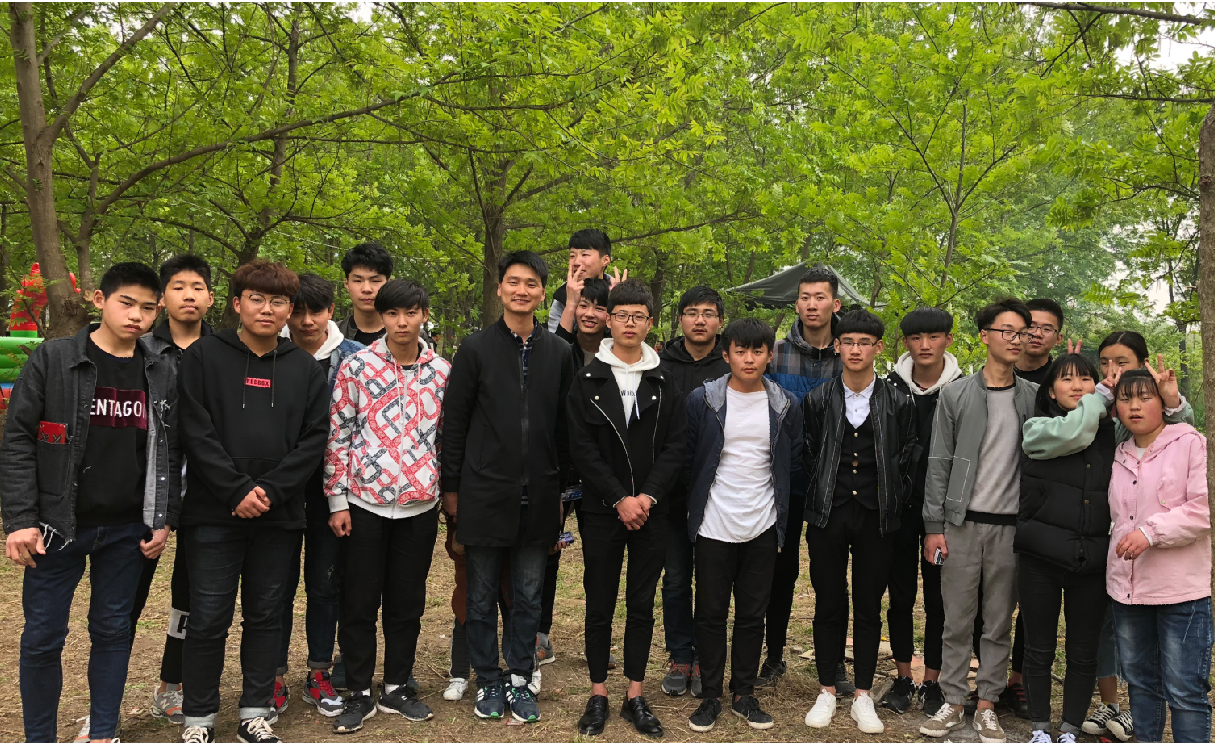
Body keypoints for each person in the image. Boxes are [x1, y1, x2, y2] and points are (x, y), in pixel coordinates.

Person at [3, 262, 178, 743]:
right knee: (43, 637)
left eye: (148, 308)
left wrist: (162, 518)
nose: (136, 316)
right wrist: (19, 519)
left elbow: (170, 448)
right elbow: (18, 439)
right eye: (127, 303)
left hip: (127, 528)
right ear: (100, 301)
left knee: (113, 631)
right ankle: (40, 737)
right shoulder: (56, 359)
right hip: (57, 526)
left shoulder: (160, 368)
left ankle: (103, 732)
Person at [177, 260, 329, 744]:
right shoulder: (203, 357)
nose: (267, 309)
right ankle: (198, 718)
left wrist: (271, 491)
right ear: (237, 303)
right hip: (212, 514)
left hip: (278, 516)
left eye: (278, 301)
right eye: (257, 299)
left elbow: (313, 440)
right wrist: (235, 490)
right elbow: (194, 430)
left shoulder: (305, 368)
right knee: (208, 618)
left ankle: (255, 711)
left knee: (266, 616)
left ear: (289, 309)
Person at [441, 250, 574, 724]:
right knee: (479, 596)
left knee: (528, 596)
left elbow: (565, 430)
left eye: (531, 283)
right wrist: (452, 490)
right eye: (513, 282)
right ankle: (487, 678)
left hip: (540, 495)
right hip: (483, 493)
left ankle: (520, 677)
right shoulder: (475, 349)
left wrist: (563, 495)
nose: (522, 290)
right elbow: (455, 425)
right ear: (500, 289)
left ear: (542, 292)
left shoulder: (559, 353)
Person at [325, 279, 450, 733]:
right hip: (363, 504)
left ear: (423, 315)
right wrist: (337, 499)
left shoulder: (442, 372)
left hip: (419, 507)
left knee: (406, 603)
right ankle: (358, 691)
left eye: (410, 313)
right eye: (393, 313)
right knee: (358, 601)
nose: (401, 322)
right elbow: (339, 433)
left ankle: (397, 685)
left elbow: (447, 438)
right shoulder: (357, 366)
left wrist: (439, 489)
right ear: (382, 317)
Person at [566, 280, 686, 737]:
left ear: (650, 323)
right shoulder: (588, 379)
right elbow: (581, 448)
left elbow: (676, 446)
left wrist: (646, 497)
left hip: (652, 511)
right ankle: (598, 692)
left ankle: (635, 693)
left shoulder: (664, 379)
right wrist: (619, 498)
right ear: (608, 321)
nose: (629, 324)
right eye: (621, 316)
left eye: (638, 316)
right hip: (603, 510)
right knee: (599, 602)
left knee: (641, 603)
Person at [920, 298, 1037, 744]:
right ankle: (953, 700)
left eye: (1021, 332)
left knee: (998, 621)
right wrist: (934, 526)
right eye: (1006, 331)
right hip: (961, 524)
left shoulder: (1033, 397)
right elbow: (939, 463)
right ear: (985, 335)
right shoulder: (957, 395)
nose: (1015, 339)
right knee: (956, 619)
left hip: (1011, 528)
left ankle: (987, 704)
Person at [681, 318, 801, 733]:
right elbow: (688, 458)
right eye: (741, 351)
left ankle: (744, 693)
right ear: (726, 354)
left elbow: (792, 462)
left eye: (757, 351)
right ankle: (711, 694)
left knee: (753, 614)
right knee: (710, 613)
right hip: (714, 522)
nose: (749, 359)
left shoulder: (785, 404)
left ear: (770, 356)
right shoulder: (703, 400)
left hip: (763, 523)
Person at [801, 309, 916, 736]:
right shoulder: (818, 398)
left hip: (876, 516)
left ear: (878, 348)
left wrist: (892, 498)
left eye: (864, 343)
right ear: (837, 346)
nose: (855, 350)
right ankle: (827, 689)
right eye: (847, 342)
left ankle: (863, 694)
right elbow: (809, 453)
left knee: (869, 604)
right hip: (828, 514)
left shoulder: (898, 401)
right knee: (828, 601)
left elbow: (908, 458)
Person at [1080, 331, 1196, 741]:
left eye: (1122, 362)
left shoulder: (1178, 432)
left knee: (1168, 663)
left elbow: (1180, 431)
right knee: (1111, 633)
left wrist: (1171, 400)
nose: (1113, 371)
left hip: (1165, 562)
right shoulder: (1103, 416)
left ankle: (1143, 712)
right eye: (1105, 362)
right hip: (1111, 551)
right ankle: (1114, 705)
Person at [273, 274, 364, 717]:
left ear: (331, 310)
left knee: (326, 583)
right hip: (279, 488)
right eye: (299, 311)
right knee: (276, 584)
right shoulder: (269, 351)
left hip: (334, 490)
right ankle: (271, 675)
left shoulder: (355, 358)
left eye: (317, 311)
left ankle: (319, 670)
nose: (307, 321)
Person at [1108, 368, 1212, 744]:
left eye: (1144, 397)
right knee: (1140, 684)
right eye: (1125, 399)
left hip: (1181, 591)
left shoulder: (1191, 443)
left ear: (1162, 402)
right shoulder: (1118, 453)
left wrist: (1150, 533)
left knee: (1185, 691)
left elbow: (1204, 510)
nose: (1134, 406)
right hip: (1128, 591)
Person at [1015, 354, 1115, 744]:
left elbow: (1167, 429)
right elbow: (1076, 433)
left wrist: (1173, 402)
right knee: (1039, 648)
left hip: (1091, 557)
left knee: (1083, 651)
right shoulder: (1038, 428)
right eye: (1067, 379)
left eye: (1086, 378)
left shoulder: (1113, 431)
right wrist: (1100, 396)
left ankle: (1070, 728)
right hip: (1040, 556)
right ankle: (1040, 727)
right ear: (1051, 390)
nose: (1077, 386)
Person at [133, 255, 215, 728]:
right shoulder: (140, 347)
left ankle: (173, 683)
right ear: (162, 298)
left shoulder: (223, 351)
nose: (188, 295)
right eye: (178, 287)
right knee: (127, 598)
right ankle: (102, 702)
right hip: (146, 491)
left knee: (191, 595)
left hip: (205, 494)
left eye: (197, 287)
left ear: (211, 297)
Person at [759, 266, 847, 693]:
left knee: (831, 577)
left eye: (820, 297)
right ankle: (773, 656)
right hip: (786, 480)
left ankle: (835, 665)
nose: (812, 305)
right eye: (805, 297)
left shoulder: (850, 352)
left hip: (835, 483)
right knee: (780, 570)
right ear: (796, 304)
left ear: (835, 303)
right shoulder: (774, 354)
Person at [882, 307, 963, 716]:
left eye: (933, 337)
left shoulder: (964, 391)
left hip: (943, 516)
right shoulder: (888, 388)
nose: (925, 345)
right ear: (905, 343)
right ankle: (902, 677)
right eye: (916, 338)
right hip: (898, 511)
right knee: (900, 595)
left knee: (939, 599)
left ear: (949, 339)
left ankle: (932, 681)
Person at [658, 285, 730, 697]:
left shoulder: (731, 363)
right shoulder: (660, 363)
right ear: (680, 318)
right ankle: (680, 654)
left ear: (720, 320)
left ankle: (707, 656)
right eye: (691, 312)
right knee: (675, 579)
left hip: (718, 491)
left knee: (713, 581)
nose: (699, 320)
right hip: (670, 492)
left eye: (708, 313)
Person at [547, 228, 613, 333]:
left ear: (605, 260)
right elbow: (554, 340)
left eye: (585, 255)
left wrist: (618, 303)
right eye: (572, 256)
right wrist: (570, 305)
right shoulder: (563, 294)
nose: (576, 262)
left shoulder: (617, 291)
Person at [338, 242, 394, 346]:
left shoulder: (412, 336)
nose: (366, 289)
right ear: (347, 284)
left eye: (375, 281)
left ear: (388, 284)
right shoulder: (332, 336)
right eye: (358, 281)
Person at [555, 276, 610, 369]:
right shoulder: (565, 350)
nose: (589, 314)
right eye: (584, 306)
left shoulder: (615, 353)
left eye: (599, 308)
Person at [1014, 298, 1064, 386]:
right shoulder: (997, 374)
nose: (1037, 334)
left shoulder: (1059, 381)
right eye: (1031, 326)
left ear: (1058, 339)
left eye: (1047, 329)